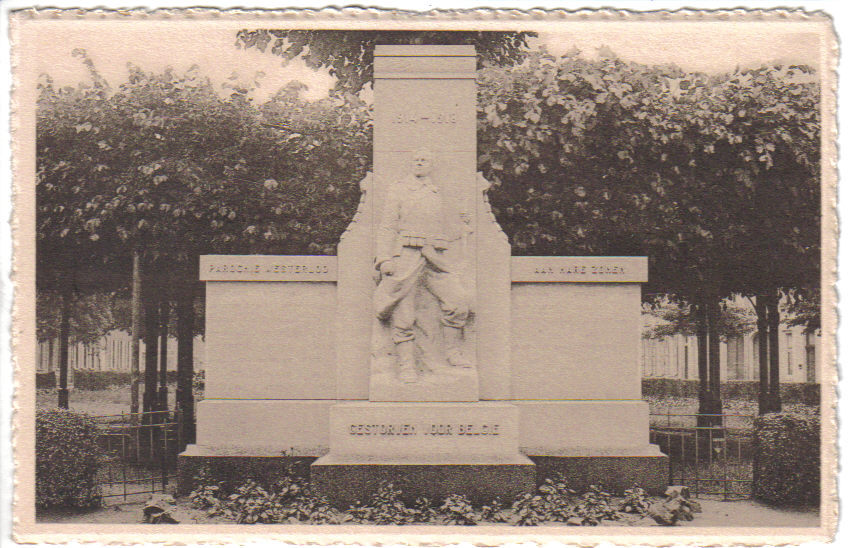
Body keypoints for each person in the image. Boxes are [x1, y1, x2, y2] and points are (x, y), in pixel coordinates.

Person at [374, 148, 472, 383]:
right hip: (406, 253)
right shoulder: (398, 190)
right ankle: (406, 366)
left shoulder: (437, 191)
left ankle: (452, 352)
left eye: (424, 160)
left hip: (435, 255)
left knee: (458, 301)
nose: (419, 163)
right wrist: (384, 258)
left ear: (431, 165)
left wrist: (462, 226)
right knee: (403, 312)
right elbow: (387, 226)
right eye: (416, 160)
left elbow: (450, 225)